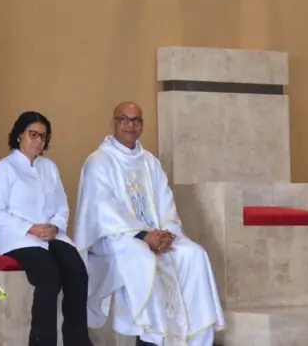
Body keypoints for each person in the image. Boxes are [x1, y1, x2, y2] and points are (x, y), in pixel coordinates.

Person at [73, 102, 224, 346]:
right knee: (142, 257)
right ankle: (151, 338)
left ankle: (196, 338)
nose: (130, 125)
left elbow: (165, 201)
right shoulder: (98, 162)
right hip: (115, 238)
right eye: (124, 119)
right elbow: (102, 209)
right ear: (114, 123)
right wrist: (143, 236)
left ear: (141, 125)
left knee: (194, 254)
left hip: (154, 235)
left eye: (136, 120)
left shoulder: (150, 162)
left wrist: (167, 233)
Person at [0, 111, 92, 346]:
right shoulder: (4, 169)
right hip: (17, 239)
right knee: (48, 275)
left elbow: (62, 204)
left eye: (42, 137)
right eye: (33, 134)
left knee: (77, 271)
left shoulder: (49, 168)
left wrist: (55, 226)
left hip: (51, 236)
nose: (38, 141)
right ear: (19, 135)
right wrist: (29, 228)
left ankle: (77, 341)